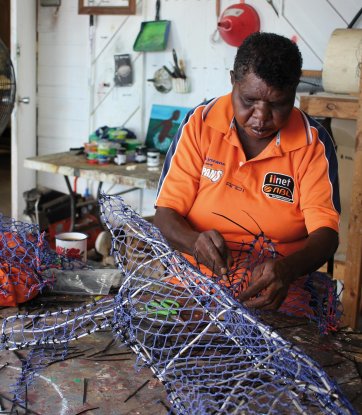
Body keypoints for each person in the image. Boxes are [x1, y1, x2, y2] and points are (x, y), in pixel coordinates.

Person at [153, 32, 340, 312]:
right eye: (249, 100)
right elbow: (165, 215)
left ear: (294, 92)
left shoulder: (313, 143)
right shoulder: (199, 124)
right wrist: (194, 242)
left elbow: (326, 236)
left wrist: (287, 270)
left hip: (277, 292)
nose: (261, 117)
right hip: (194, 282)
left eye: (277, 104)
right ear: (233, 81)